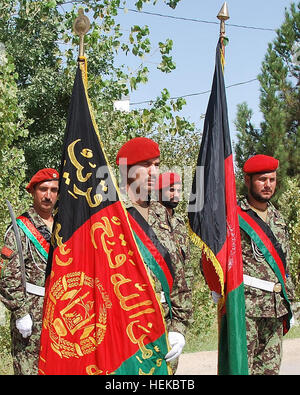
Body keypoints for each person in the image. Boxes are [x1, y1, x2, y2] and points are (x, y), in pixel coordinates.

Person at [116, 137, 192, 374]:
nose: (153, 171)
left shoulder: (166, 217)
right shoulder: (112, 215)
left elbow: (182, 279)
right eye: (145, 164)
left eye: (157, 164)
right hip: (123, 331)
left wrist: (179, 327)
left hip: (164, 327)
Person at [238, 154, 295, 375]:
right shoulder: (234, 216)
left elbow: (285, 267)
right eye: (262, 179)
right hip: (245, 308)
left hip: (275, 308)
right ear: (247, 180)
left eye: (271, 179)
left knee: (270, 371)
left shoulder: (278, 219)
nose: (268, 185)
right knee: (241, 370)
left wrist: (292, 304)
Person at [0, 168, 59, 375]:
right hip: (32, 312)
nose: (48, 195)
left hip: (61, 311)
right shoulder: (20, 228)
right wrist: (20, 312)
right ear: (33, 191)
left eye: (53, 190)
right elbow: (7, 276)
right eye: (43, 189)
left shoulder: (64, 226)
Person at [155, 172, 191, 289]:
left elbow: (187, 261)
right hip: (160, 294)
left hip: (181, 296)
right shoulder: (149, 218)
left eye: (179, 191)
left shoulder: (179, 222)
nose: (176, 195)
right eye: (171, 190)